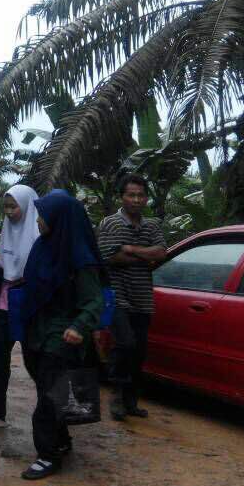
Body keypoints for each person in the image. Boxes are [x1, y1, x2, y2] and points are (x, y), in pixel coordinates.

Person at [19, 190, 103, 480]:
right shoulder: (43, 247)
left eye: (44, 215)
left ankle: (48, 454)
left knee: (47, 396)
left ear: (59, 218)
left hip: (61, 335)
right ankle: (62, 439)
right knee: (48, 388)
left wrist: (79, 326)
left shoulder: (81, 259)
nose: (39, 221)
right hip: (37, 330)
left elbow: (95, 300)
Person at [96, 174, 166, 421]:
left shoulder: (152, 225)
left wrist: (132, 249)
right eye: (131, 195)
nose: (136, 200)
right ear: (122, 197)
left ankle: (130, 400)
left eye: (140, 195)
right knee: (124, 343)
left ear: (146, 198)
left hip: (142, 296)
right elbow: (111, 257)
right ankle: (116, 393)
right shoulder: (111, 224)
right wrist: (145, 257)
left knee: (139, 351)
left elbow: (161, 252)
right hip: (117, 294)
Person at [0, 184, 40, 421]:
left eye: (13, 206)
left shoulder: (39, 234)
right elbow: (4, 265)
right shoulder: (7, 229)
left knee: (36, 364)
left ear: (27, 205)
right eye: (6, 207)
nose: (9, 212)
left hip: (30, 308)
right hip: (5, 306)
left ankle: (50, 412)